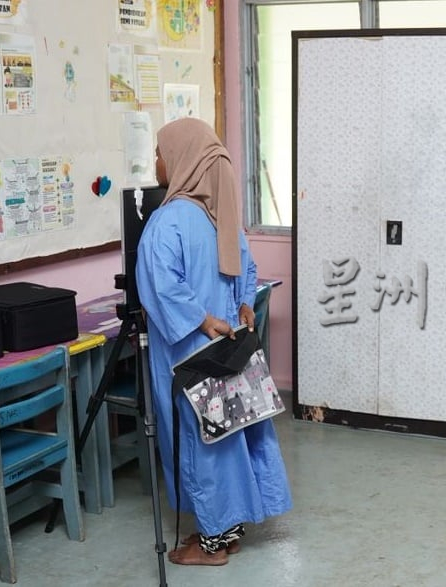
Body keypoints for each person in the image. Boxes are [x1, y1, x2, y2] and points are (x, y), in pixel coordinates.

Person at [136, 117, 293, 566]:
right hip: (228, 351)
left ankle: (210, 544)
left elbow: (160, 289)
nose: (156, 161)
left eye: (161, 152)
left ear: (182, 160)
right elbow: (246, 270)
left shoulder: (165, 223)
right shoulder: (217, 216)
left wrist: (202, 321)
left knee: (199, 443)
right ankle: (230, 531)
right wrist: (243, 307)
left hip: (190, 353)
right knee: (230, 435)